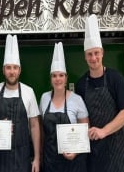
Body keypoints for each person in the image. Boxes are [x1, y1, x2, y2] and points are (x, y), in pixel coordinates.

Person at [75, 14, 124, 172]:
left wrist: (103, 131)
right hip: (96, 152)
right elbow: (82, 117)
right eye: (90, 54)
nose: (93, 58)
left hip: (119, 151)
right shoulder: (81, 84)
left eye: (96, 53)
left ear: (102, 53)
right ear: (85, 57)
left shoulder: (115, 78)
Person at [0, 34, 40, 172]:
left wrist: (37, 158)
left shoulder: (29, 91)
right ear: (3, 70)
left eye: (15, 68)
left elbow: (34, 126)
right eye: (8, 68)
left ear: (20, 70)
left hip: (22, 155)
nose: (12, 72)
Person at [39, 42, 89, 172]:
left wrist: (76, 152)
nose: (58, 79)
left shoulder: (76, 100)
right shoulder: (44, 98)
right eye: (54, 76)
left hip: (72, 162)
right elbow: (42, 132)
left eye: (61, 75)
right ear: (50, 79)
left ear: (66, 78)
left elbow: (85, 131)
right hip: (49, 161)